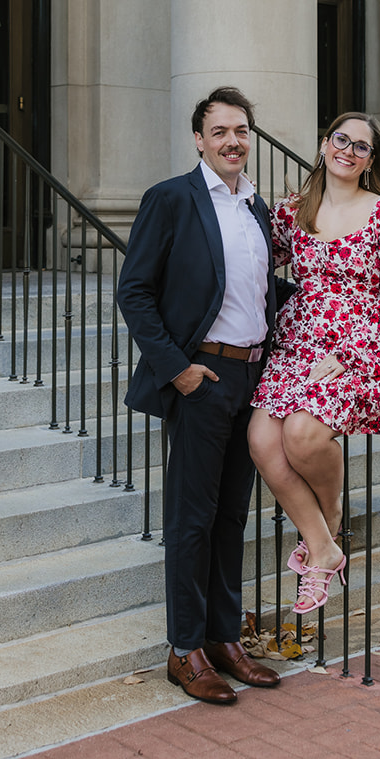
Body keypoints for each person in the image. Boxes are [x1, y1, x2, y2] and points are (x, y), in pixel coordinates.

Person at [117, 86, 292, 705]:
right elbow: (134, 291)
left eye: (241, 130)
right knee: (191, 520)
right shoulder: (172, 200)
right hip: (203, 380)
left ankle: (223, 638)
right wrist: (178, 369)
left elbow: (264, 292)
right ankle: (184, 648)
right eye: (219, 132)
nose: (232, 141)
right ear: (199, 139)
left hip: (253, 378)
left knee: (231, 516)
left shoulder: (258, 209)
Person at [248, 112, 380, 615]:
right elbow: (249, 253)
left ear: (369, 161)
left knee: (301, 435)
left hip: (352, 351)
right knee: (261, 442)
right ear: (324, 145)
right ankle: (324, 545)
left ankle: (331, 514)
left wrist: (350, 356)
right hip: (295, 343)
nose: (348, 150)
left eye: (361, 147)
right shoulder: (294, 212)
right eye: (341, 139)